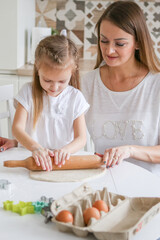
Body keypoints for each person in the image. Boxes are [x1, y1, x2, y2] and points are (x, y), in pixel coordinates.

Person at [80, 1, 160, 177]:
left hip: (149, 189)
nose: (109, 50)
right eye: (104, 41)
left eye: (120, 44)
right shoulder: (88, 83)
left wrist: (130, 150)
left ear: (137, 43)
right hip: (103, 184)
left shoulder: (156, 84)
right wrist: (18, 142)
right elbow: (61, 126)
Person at [12, 35, 89, 171]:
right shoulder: (27, 92)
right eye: (47, 80)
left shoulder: (75, 98)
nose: (54, 87)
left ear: (73, 71)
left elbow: (81, 138)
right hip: (31, 160)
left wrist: (66, 150)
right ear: (37, 68)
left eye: (62, 81)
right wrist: (36, 148)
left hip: (62, 163)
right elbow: (17, 129)